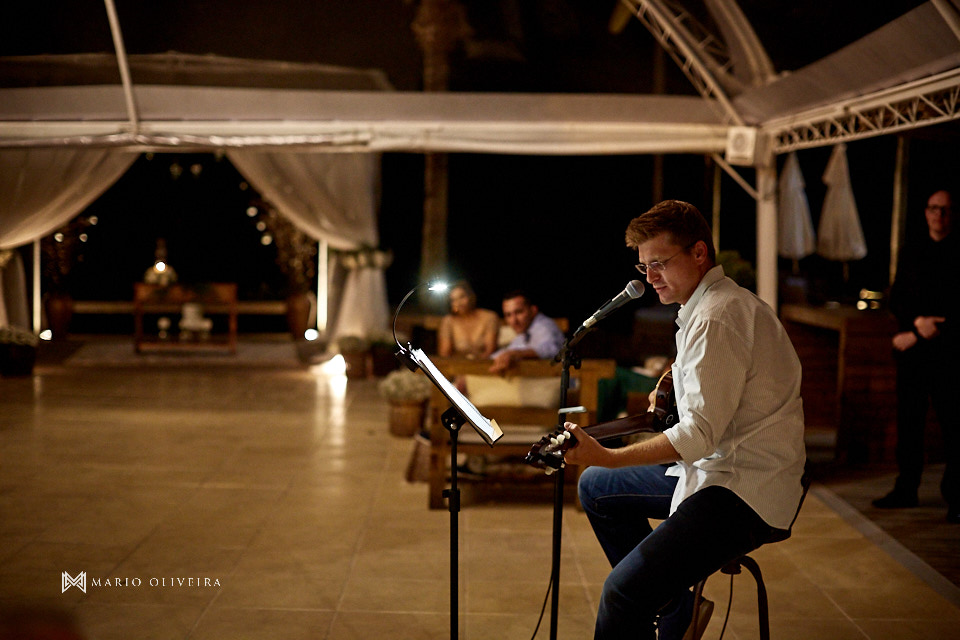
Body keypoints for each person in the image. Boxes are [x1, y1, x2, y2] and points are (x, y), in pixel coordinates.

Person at [563, 200, 807, 640]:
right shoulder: (707, 305)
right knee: (595, 486)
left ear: (699, 253)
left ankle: (658, 598)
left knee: (622, 593)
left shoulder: (718, 316)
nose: (650, 277)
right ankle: (675, 605)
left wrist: (606, 454)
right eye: (643, 267)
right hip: (716, 468)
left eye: (659, 263)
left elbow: (697, 435)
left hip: (746, 489)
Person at [872, 189, 959, 523]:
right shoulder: (914, 251)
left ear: (953, 215)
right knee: (910, 427)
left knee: (954, 429)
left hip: (950, 355)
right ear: (925, 213)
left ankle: (956, 499)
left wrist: (924, 329)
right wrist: (916, 325)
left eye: (946, 210)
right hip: (914, 357)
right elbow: (899, 298)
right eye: (934, 209)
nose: (939, 215)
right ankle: (906, 489)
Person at [489, 289, 565, 374]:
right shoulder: (524, 332)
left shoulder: (544, 326)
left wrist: (515, 354)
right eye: (508, 315)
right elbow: (509, 352)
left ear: (533, 310)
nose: (514, 321)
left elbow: (550, 350)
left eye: (518, 312)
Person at [437, 280, 500, 359]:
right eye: (454, 300)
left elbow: (491, 350)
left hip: (485, 365)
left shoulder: (489, 317)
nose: (459, 303)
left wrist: (475, 366)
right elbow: (445, 354)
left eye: (462, 297)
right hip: (456, 367)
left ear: (470, 296)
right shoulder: (448, 321)